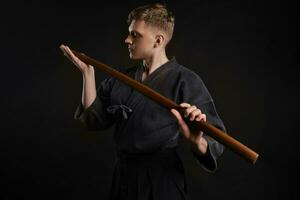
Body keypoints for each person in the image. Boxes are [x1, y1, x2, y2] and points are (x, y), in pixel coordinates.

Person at [60, 3, 226, 200]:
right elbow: (94, 120)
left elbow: (215, 138)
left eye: (135, 35)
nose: (127, 39)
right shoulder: (121, 79)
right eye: (129, 33)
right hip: (124, 179)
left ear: (158, 40)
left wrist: (197, 141)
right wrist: (87, 75)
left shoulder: (186, 80)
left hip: (162, 181)